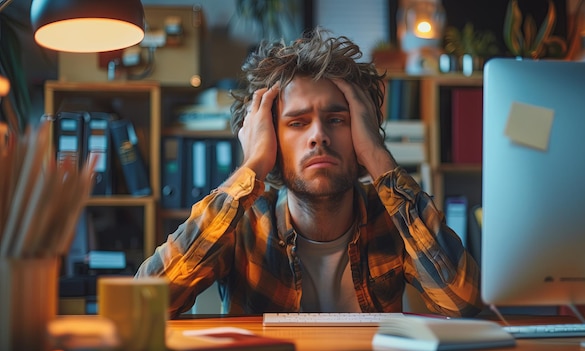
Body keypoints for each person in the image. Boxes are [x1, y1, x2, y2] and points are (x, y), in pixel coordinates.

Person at [136, 28, 482, 318]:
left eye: (337, 119)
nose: (318, 135)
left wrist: (377, 153)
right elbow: (143, 304)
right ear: (270, 137)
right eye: (297, 123)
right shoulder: (243, 224)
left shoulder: (390, 219)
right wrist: (253, 165)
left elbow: (462, 301)